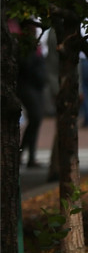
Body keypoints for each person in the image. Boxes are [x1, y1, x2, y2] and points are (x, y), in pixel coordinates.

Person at [15, 19, 47, 167]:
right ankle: (22, 153)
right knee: (36, 117)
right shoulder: (23, 44)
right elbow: (25, 64)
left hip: (36, 85)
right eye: (31, 27)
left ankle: (30, 156)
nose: (35, 30)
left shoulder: (35, 44)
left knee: (37, 120)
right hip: (27, 85)